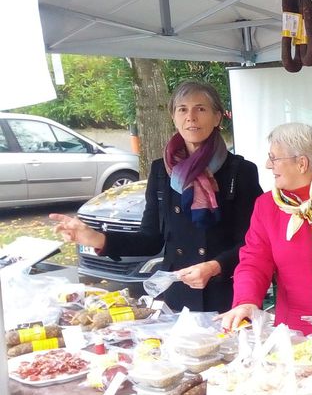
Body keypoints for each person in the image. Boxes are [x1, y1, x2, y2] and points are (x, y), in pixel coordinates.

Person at [51, 81, 260, 313]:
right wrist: (97, 238)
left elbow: (253, 243)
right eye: (182, 109)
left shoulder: (240, 171)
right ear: (173, 117)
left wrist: (214, 266)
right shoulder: (162, 170)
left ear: (217, 117)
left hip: (226, 294)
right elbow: (150, 239)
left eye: (200, 109)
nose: (190, 117)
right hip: (177, 293)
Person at [219, 123, 312, 335]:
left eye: (274, 158)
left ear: (302, 163)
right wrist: (246, 300)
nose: (267, 164)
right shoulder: (267, 206)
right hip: (293, 332)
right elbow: (254, 260)